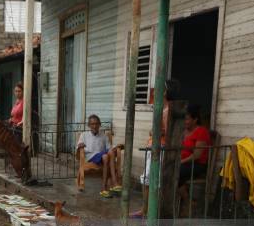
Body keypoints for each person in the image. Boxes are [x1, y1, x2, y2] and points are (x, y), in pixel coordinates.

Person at [131, 79, 180, 218]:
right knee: (148, 180)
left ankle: (149, 212)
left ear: (164, 92)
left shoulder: (168, 110)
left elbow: (169, 132)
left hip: (160, 147)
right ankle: (146, 210)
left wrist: (154, 132)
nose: (153, 91)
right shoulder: (162, 109)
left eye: (157, 88)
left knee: (151, 180)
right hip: (154, 146)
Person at [77, 114, 122, 198]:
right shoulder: (84, 135)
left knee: (107, 155)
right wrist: (80, 145)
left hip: (102, 157)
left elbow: (109, 148)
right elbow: (78, 146)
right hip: (91, 157)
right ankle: (114, 182)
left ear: (99, 124)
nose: (94, 126)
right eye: (92, 124)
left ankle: (103, 189)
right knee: (108, 154)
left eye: (96, 124)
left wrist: (116, 148)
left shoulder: (104, 136)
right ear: (89, 125)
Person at [178, 106, 211, 216]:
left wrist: (181, 162)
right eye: (184, 119)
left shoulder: (201, 131)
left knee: (174, 172)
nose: (185, 122)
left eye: (187, 119)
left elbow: (197, 155)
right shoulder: (184, 132)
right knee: (166, 171)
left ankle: (188, 201)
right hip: (183, 163)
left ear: (195, 119)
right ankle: (185, 202)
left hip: (197, 164)